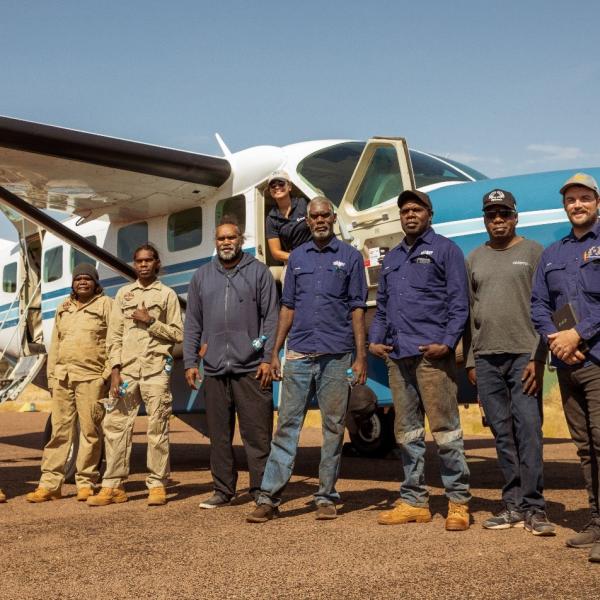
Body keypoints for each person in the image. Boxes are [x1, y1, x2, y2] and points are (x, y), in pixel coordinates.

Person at [247, 196, 368, 522]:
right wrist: (274, 352)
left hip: (336, 355)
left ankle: (326, 497)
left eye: (325, 215)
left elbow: (358, 309)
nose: (319, 220)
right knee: (287, 427)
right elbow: (287, 307)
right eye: (314, 216)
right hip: (299, 354)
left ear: (333, 218)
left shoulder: (350, 257)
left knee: (333, 427)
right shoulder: (297, 257)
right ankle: (268, 498)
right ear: (309, 220)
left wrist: (360, 357)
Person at [369, 189, 471, 531]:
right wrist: (375, 339)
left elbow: (459, 303)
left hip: (432, 357)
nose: (410, 214)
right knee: (407, 432)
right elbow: (383, 307)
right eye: (405, 211)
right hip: (398, 358)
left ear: (429, 213)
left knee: (446, 431)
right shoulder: (392, 257)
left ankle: (458, 502)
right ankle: (414, 501)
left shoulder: (446, 250)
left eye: (417, 209)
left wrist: (447, 343)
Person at [466, 189, 554, 535]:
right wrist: (471, 360)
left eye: (504, 214)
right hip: (486, 357)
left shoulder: (534, 252)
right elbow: (470, 314)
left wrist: (538, 356)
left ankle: (535, 508)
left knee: (528, 430)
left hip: (524, 356)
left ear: (516, 217)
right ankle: (513, 505)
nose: (498, 220)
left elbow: (545, 306)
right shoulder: (474, 258)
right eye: (492, 215)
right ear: (485, 220)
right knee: (502, 434)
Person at [184, 218, 279, 508]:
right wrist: (190, 361)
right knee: (219, 436)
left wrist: (266, 357)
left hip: (252, 368)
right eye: (221, 238)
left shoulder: (259, 272)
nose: (226, 242)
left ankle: (261, 490)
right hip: (214, 368)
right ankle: (223, 490)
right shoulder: (202, 276)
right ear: (216, 242)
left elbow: (271, 318)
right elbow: (193, 322)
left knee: (258, 435)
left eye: (231, 237)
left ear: (241, 239)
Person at [531, 172, 600, 562]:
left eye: (584, 198)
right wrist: (556, 340)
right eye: (571, 200)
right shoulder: (552, 254)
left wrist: (578, 334)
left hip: (598, 359)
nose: (577, 205)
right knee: (586, 448)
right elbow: (538, 304)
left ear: (597, 202)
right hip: (567, 362)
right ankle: (596, 521)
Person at [87, 244, 183, 507]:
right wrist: (114, 371)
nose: (143, 265)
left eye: (148, 260)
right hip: (127, 370)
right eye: (139, 261)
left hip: (155, 371)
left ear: (157, 263)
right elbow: (114, 336)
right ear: (134, 264)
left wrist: (151, 321)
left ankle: (157, 484)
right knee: (115, 425)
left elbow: (178, 333)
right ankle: (112, 486)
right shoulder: (123, 294)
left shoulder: (167, 295)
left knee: (157, 427)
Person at [26, 264, 112, 503]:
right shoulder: (63, 307)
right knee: (59, 432)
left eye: (88, 278)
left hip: (91, 378)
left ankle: (85, 482)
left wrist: (105, 376)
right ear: (73, 283)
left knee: (90, 431)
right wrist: (52, 376)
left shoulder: (107, 305)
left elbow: (115, 340)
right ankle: (50, 484)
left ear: (95, 283)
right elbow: (56, 344)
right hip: (63, 378)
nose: (82, 282)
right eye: (78, 279)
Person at [265, 170, 312, 264]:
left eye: (281, 183)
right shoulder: (271, 218)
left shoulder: (304, 203)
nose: (277, 187)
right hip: (293, 260)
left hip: (314, 253)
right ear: (270, 191)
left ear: (289, 186)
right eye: (273, 185)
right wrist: (300, 258)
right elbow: (276, 253)